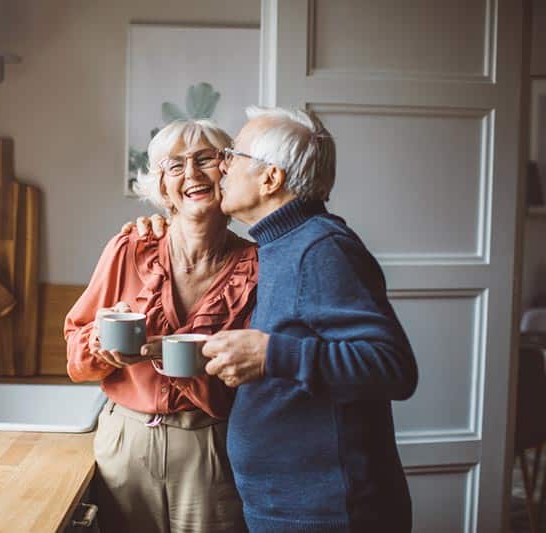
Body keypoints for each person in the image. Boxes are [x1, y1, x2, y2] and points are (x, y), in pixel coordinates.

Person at [127, 107, 418, 532]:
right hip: (291, 507)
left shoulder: (321, 248)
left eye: (233, 155)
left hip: (328, 513)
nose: (222, 166)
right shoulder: (279, 244)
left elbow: (392, 367)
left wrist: (270, 355)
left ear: (270, 178)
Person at [64, 119, 257, 532]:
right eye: (175, 166)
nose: (191, 174)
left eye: (205, 159)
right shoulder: (129, 247)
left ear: (227, 171)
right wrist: (101, 346)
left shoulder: (257, 267)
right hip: (126, 441)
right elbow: (75, 351)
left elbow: (260, 376)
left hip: (210, 445)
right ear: (162, 188)